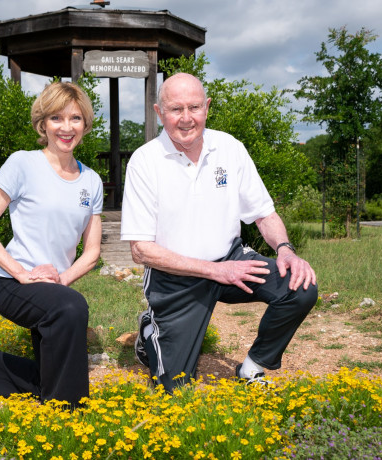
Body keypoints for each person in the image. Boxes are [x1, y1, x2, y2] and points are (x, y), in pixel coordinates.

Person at [121, 73, 318, 393]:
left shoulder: (229, 148)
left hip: (231, 259)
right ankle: (150, 331)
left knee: (300, 285)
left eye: (194, 107)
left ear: (207, 108)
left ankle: (253, 367)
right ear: (159, 112)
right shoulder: (145, 162)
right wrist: (216, 271)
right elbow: (141, 250)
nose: (186, 118)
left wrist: (285, 249)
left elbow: (264, 214)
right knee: (176, 391)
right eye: (175, 109)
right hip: (175, 277)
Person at [0, 81, 103, 408]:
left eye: (75, 118)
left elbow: (92, 252)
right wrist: (21, 273)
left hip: (53, 289)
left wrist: (60, 280)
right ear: (42, 124)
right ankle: (67, 417)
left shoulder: (91, 181)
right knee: (72, 308)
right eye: (57, 118)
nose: (66, 127)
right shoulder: (23, 164)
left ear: (85, 125)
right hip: (11, 283)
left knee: (52, 377)